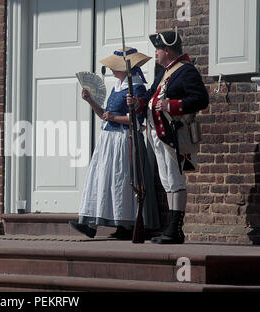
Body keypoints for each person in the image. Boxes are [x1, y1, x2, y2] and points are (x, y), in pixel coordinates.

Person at [127, 29, 209, 244]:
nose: (156, 53)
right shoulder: (165, 71)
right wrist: (139, 103)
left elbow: (200, 99)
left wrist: (171, 105)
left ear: (167, 50)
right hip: (158, 133)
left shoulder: (186, 71)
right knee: (166, 180)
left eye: (158, 49)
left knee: (174, 178)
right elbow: (151, 95)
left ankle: (175, 229)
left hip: (173, 133)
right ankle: (171, 229)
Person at [70, 47, 160, 240]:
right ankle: (92, 224)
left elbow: (136, 119)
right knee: (104, 180)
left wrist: (115, 117)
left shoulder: (136, 88)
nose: (111, 70)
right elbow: (105, 115)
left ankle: (126, 224)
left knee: (123, 181)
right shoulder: (117, 87)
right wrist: (90, 101)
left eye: (114, 67)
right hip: (108, 140)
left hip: (124, 140)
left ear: (124, 68)